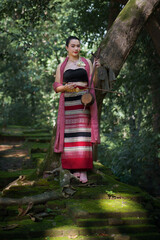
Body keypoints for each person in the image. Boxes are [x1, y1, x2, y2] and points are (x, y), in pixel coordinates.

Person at [53, 36, 100, 183]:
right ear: (67, 47)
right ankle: (73, 169)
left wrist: (96, 69)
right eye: (73, 46)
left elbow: (93, 82)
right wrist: (65, 87)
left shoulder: (86, 63)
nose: (76, 49)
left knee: (83, 135)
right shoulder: (61, 66)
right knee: (70, 137)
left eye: (78, 46)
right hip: (68, 103)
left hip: (83, 102)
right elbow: (56, 87)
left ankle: (83, 170)